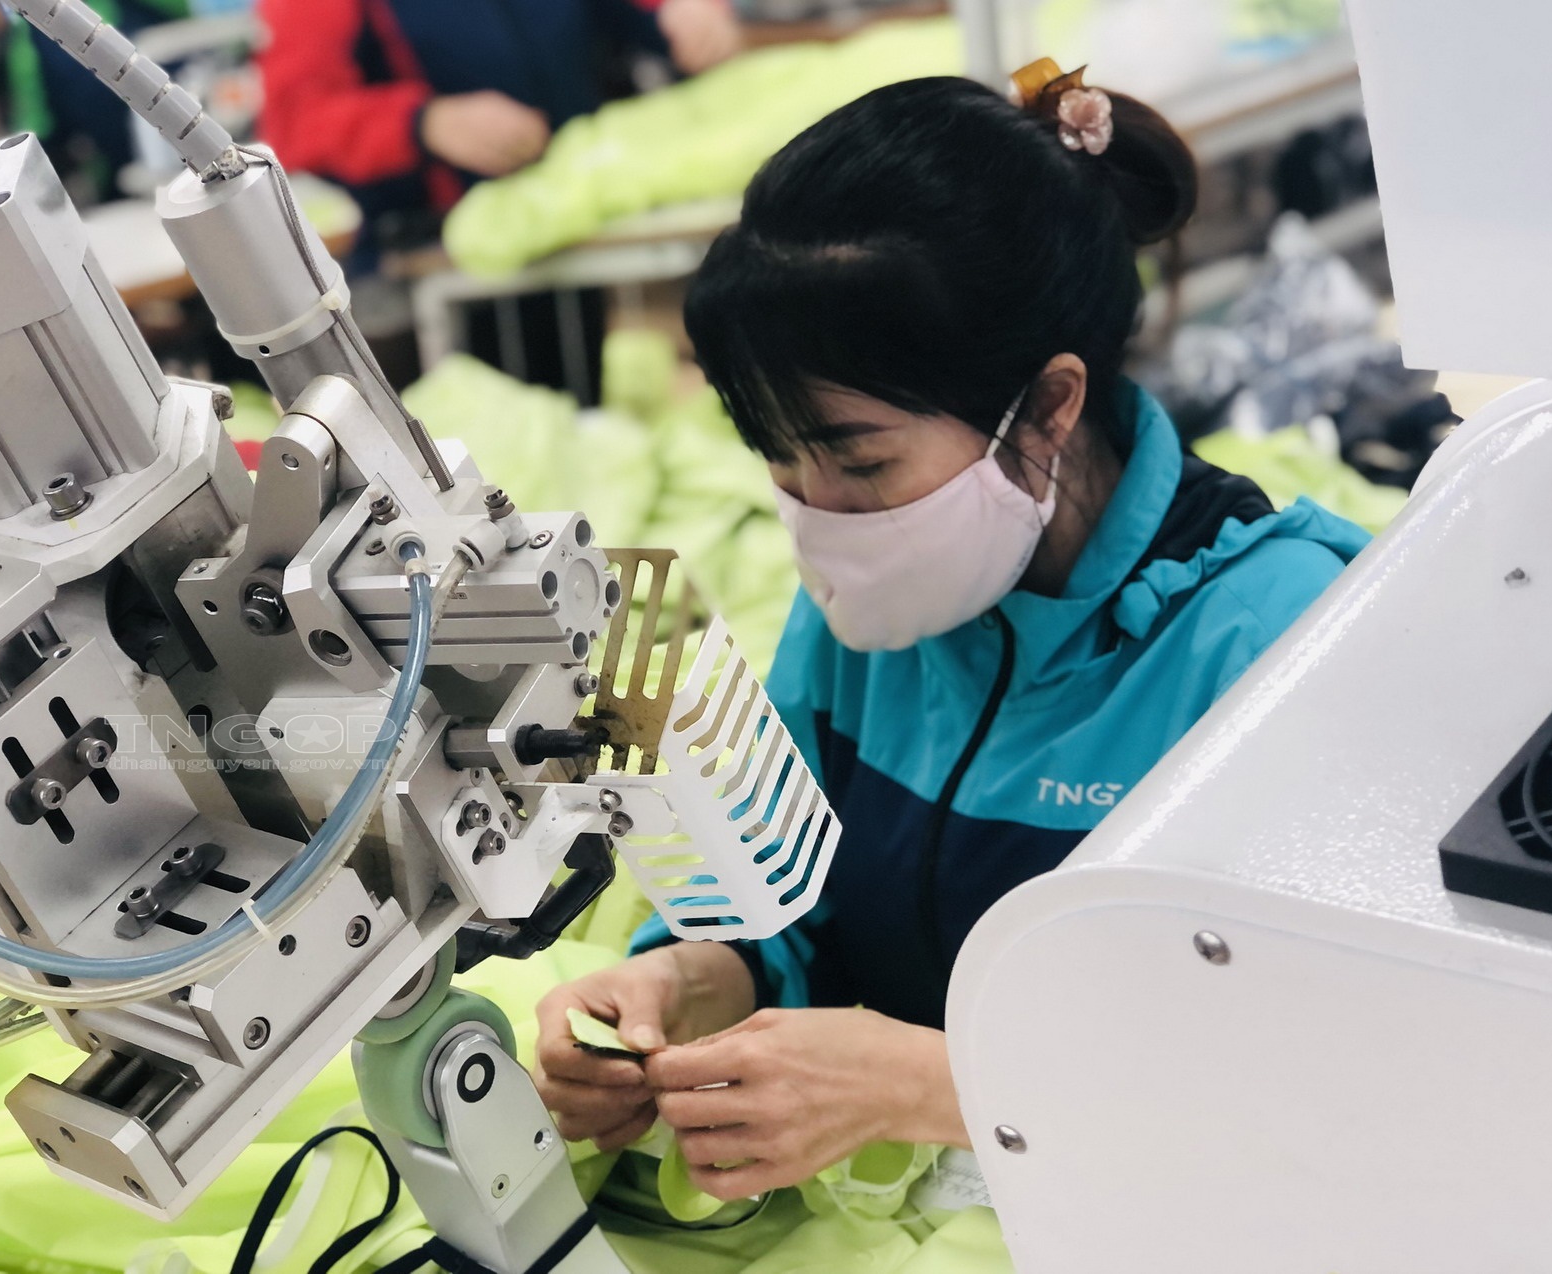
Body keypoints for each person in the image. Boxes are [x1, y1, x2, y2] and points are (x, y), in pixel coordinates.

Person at [533, 63, 1371, 1200]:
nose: (817, 514)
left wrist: (930, 1087)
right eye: (778, 459)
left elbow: (1328, 1083)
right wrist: (690, 985)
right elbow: (794, 906)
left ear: (1052, 406)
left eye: (861, 461)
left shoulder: (1275, 643)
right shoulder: (878, 608)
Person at [255, 0, 741, 224]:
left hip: (588, 227)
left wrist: (687, 12)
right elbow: (294, 123)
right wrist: (426, 123)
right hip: (437, 252)